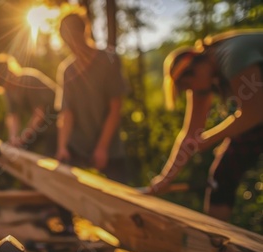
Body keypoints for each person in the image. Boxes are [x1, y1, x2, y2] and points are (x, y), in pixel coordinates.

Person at [147, 30, 263, 221]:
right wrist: (164, 179)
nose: (194, 92)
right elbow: (190, 135)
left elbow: (255, 112)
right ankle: (216, 241)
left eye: (189, 86)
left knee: (225, 169)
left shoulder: (233, 56)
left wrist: (211, 138)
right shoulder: (205, 76)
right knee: (222, 175)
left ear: (196, 68)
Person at [56, 13, 129, 183]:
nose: (70, 44)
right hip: (78, 146)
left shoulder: (109, 60)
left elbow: (115, 108)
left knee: (121, 200)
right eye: (65, 39)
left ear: (84, 32)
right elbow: (66, 113)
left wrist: (102, 148)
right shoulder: (67, 71)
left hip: (110, 147)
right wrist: (62, 147)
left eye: (72, 37)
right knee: (65, 195)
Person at [0, 53, 59, 157]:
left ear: (9, 73)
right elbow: (13, 115)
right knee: (21, 149)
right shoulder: (8, 91)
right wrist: (13, 138)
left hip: (56, 119)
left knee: (50, 154)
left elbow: (39, 114)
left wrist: (23, 138)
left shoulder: (29, 79)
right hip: (41, 123)